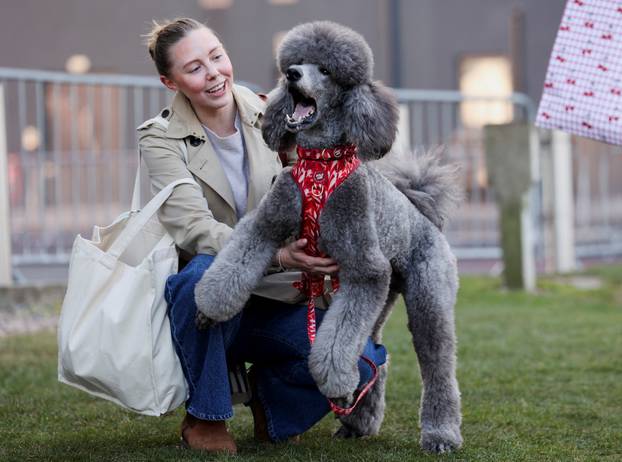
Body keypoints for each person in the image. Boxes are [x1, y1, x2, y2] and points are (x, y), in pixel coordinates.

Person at [139, 18, 386, 454]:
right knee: (201, 275)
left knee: (363, 361)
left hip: (278, 298)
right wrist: (278, 255)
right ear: (170, 82)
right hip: (209, 298)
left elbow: (323, 180)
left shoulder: (276, 108)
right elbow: (194, 229)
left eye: (216, 56)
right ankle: (207, 416)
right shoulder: (159, 140)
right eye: (194, 68)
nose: (213, 72)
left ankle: (267, 403)